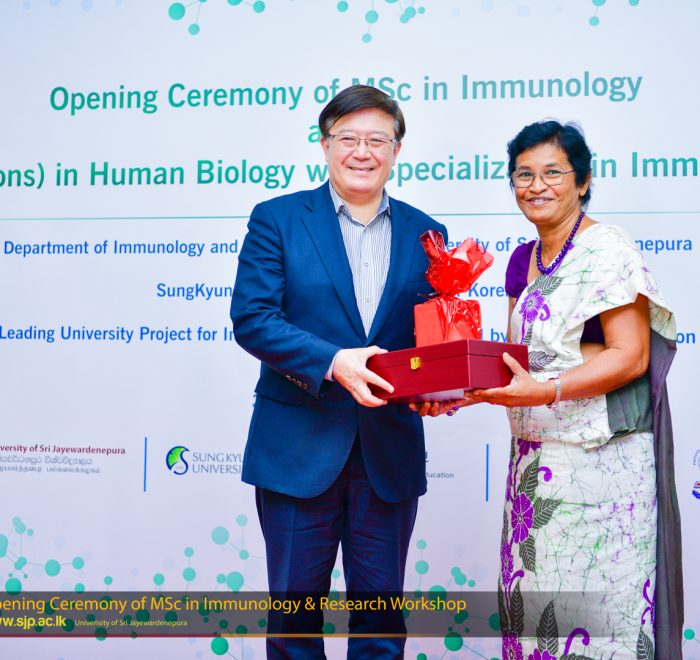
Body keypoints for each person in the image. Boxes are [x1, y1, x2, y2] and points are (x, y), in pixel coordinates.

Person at [413, 120, 683, 659]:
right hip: (534, 468)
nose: (536, 186)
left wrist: (547, 391)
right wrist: (457, 389)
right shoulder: (522, 261)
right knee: (536, 615)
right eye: (523, 174)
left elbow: (630, 356)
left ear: (583, 181)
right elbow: (518, 363)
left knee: (600, 623)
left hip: (602, 467)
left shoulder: (608, 250)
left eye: (553, 173)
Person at [230, 84, 447, 659]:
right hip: (297, 451)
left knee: (381, 627)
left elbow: (429, 338)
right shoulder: (278, 219)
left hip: (388, 453)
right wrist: (333, 362)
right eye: (348, 138)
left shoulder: (428, 235)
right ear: (325, 145)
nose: (362, 151)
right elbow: (253, 318)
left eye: (378, 139)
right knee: (294, 626)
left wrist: (440, 384)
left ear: (397, 150)